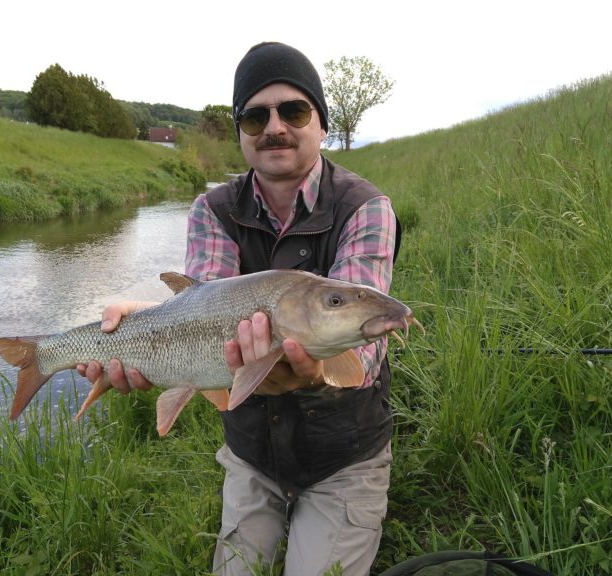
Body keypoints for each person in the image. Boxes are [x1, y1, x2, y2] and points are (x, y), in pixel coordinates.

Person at [78, 41, 399, 576]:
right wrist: (143, 327)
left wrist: (311, 372)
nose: (274, 126)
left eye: (293, 111)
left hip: (346, 454)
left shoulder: (365, 207)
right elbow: (203, 305)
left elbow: (360, 350)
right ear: (242, 134)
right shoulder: (212, 209)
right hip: (252, 451)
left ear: (321, 123)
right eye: (254, 116)